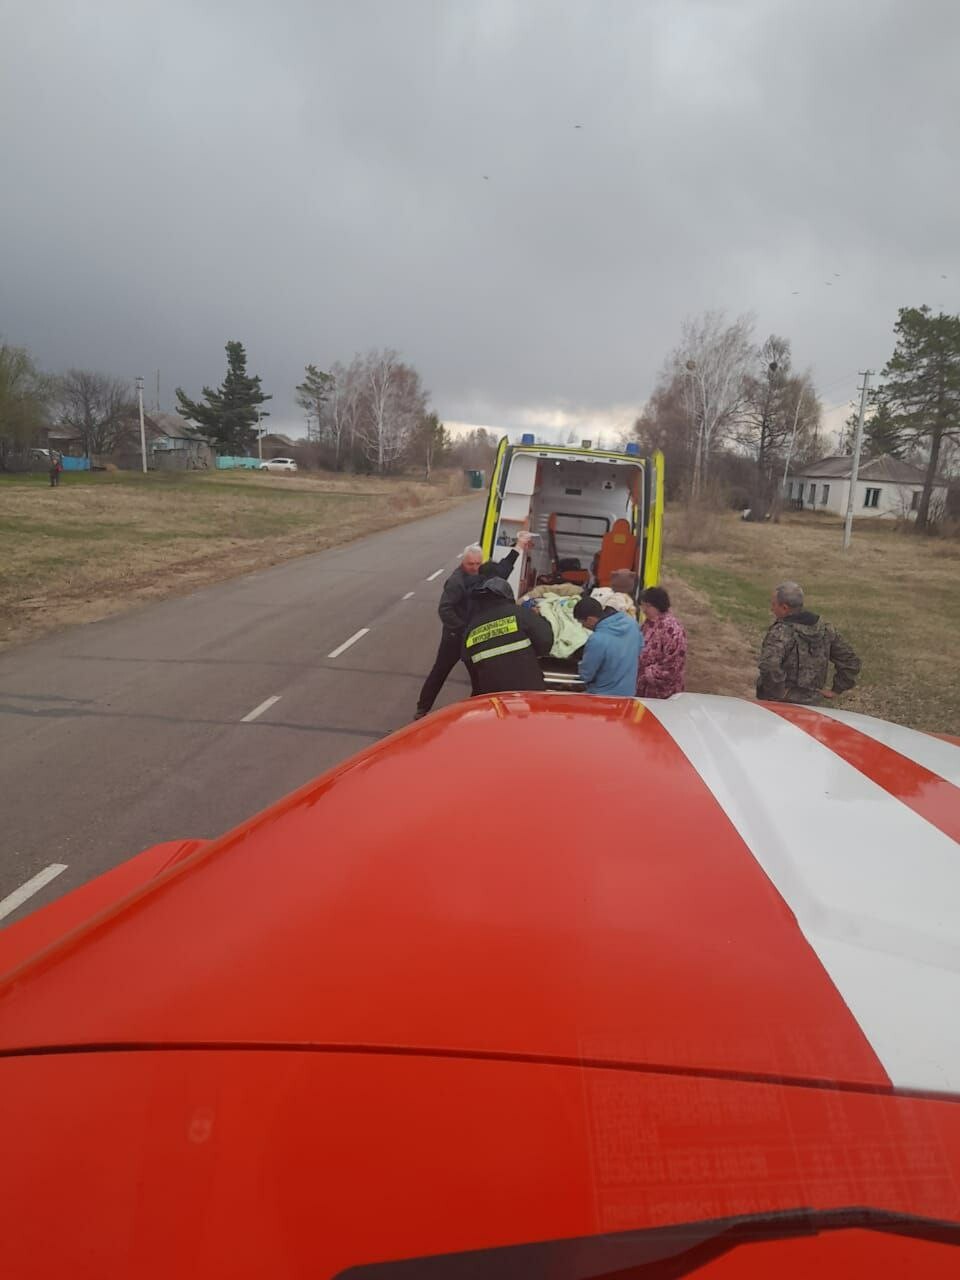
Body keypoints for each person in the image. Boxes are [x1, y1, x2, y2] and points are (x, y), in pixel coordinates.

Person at [414, 533, 532, 718]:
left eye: (478, 564)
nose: (475, 568)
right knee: (440, 671)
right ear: (464, 562)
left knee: (479, 677)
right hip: (454, 637)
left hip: (473, 638)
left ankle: (475, 711)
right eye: (471, 564)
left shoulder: (483, 574)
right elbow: (445, 610)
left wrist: (518, 546)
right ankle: (422, 709)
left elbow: (502, 570)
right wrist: (463, 630)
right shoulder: (456, 582)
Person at [757, 580, 861, 705]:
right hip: (812, 705)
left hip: (779, 706)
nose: (771, 608)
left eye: (774, 604)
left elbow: (769, 665)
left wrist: (779, 692)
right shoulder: (825, 629)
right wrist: (836, 689)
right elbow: (850, 661)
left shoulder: (780, 632)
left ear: (784, 608)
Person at [462, 577, 554, 695]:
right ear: (508, 596)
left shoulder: (472, 628)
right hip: (528, 692)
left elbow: (469, 664)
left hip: (491, 697)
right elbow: (546, 640)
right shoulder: (521, 614)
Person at [573, 595, 643, 697]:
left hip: (603, 697)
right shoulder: (632, 624)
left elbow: (586, 674)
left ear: (590, 619)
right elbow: (640, 649)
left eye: (582, 623)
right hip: (629, 694)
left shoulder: (597, 639)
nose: (583, 626)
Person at [636, 586, 687, 698]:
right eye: (643, 605)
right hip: (644, 689)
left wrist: (647, 673)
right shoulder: (649, 622)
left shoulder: (673, 630)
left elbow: (673, 665)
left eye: (647, 606)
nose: (643, 609)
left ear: (658, 605)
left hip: (662, 694)